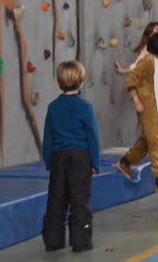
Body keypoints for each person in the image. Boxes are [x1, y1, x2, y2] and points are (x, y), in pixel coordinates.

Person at [42, 61, 100, 253]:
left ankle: (53, 241)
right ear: (81, 81)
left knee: (56, 198)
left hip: (59, 157)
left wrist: (49, 160)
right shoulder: (85, 106)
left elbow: (48, 138)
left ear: (60, 81)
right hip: (80, 157)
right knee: (79, 198)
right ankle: (81, 241)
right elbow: (92, 136)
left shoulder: (53, 107)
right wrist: (94, 162)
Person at [115, 33, 158, 197]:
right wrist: (136, 100)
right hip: (148, 108)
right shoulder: (147, 61)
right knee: (156, 143)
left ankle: (125, 162)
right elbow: (131, 81)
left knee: (146, 141)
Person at [115, 22, 158, 145]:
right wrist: (124, 70)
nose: (155, 33)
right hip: (153, 84)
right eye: (152, 32)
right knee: (154, 115)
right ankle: (153, 141)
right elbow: (137, 65)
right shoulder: (148, 53)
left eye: (157, 30)